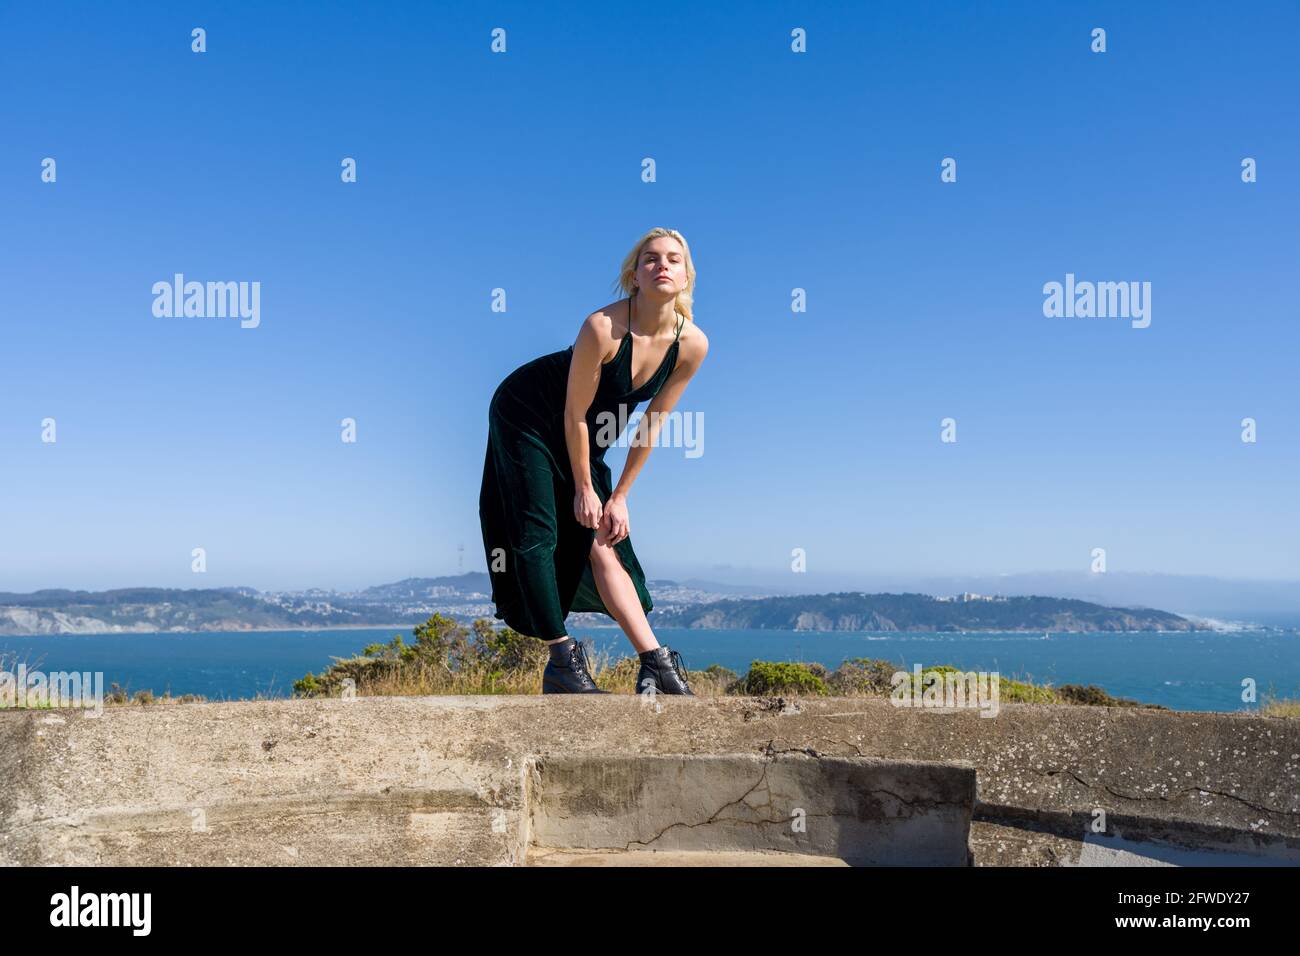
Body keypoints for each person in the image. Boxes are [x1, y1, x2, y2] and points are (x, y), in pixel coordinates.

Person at [478, 227, 709, 695]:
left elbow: (651, 426)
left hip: (588, 432)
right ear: (634, 275)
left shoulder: (692, 345)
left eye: (672, 258)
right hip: (530, 412)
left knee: (603, 535)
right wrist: (585, 486)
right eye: (649, 258)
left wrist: (619, 495)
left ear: (686, 276)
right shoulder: (602, 327)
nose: (661, 264)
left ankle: (656, 664)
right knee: (540, 528)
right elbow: (573, 413)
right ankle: (561, 661)